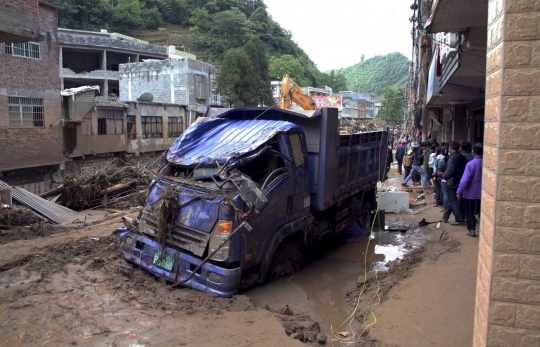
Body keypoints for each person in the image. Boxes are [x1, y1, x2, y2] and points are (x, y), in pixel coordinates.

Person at [457, 144, 483, 237]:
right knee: (482, 212)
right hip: (483, 194)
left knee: (469, 212)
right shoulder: (487, 163)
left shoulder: (470, 164)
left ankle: (472, 229)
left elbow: (465, 180)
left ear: (474, 152)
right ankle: (484, 230)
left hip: (470, 193)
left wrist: (459, 192)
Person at [442, 141, 467, 225]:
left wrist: (444, 175)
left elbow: (450, 170)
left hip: (452, 181)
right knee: (453, 200)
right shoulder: (462, 157)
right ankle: (446, 216)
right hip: (460, 181)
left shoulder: (452, 158)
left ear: (451, 148)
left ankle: (459, 219)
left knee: (453, 201)